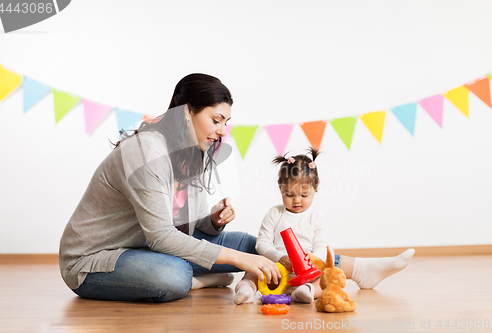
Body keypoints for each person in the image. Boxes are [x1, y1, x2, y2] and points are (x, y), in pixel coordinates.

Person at [59, 73, 281, 303]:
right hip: (93, 259)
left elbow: (184, 227)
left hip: (145, 246)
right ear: (187, 112)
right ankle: (198, 280)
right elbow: (162, 236)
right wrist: (238, 260)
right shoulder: (147, 152)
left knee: (252, 246)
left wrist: (213, 221)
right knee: (174, 275)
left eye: (226, 122)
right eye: (216, 120)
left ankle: (222, 280)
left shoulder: (191, 152)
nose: (223, 131)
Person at [240, 147, 415, 304]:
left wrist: (313, 259)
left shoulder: (316, 218)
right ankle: (246, 289)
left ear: (316, 188)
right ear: (280, 188)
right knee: (255, 266)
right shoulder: (275, 213)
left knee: (330, 270)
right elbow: (261, 244)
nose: (297, 200)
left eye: (304, 194)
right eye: (289, 194)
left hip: (308, 272)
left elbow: (321, 247)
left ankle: (310, 290)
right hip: (276, 271)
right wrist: (279, 257)